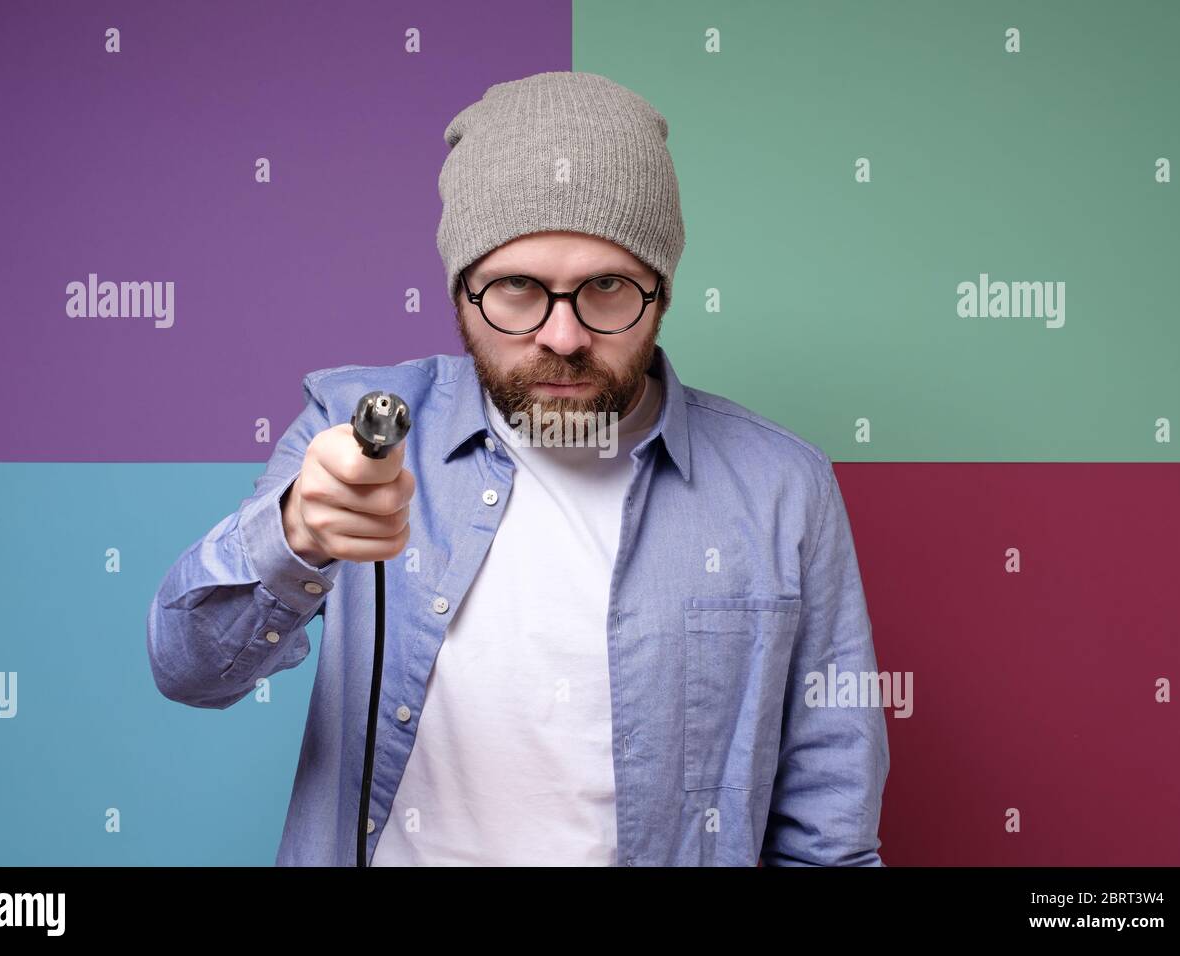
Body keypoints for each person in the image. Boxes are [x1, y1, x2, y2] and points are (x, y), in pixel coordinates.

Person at [146, 70, 889, 866]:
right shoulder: (351, 424)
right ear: (461, 293)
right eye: (517, 289)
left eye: (606, 288)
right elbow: (190, 668)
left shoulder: (783, 489)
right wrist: (294, 534)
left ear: (663, 292)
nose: (562, 336)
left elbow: (828, 831)